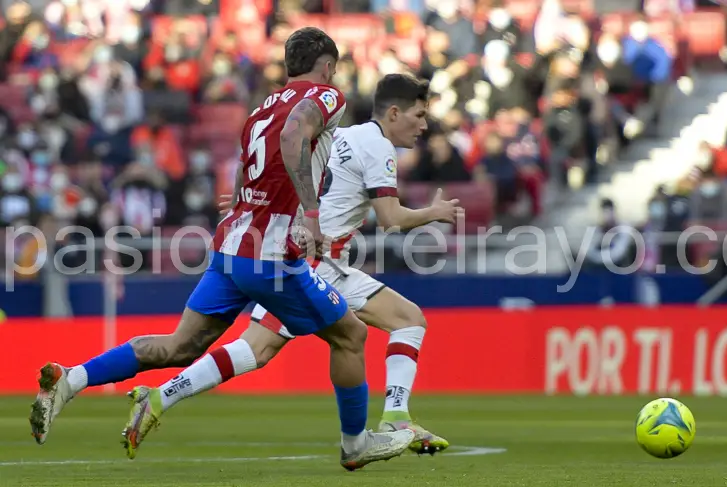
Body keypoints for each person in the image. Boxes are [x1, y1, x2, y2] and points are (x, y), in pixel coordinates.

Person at [28, 27, 415, 471]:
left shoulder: (259, 110)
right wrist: (311, 211)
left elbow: (247, 162)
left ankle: (71, 379)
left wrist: (243, 198)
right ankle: (355, 445)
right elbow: (294, 135)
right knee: (351, 336)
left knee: (179, 346)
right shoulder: (328, 97)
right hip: (270, 256)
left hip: (232, 248)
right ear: (327, 66)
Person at [130, 73, 461, 456]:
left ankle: (397, 417)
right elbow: (391, 220)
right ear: (393, 112)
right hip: (314, 263)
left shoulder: (345, 135)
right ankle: (159, 397)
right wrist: (434, 212)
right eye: (418, 115)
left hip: (325, 261)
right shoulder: (379, 147)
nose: (423, 125)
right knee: (256, 350)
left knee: (407, 319)